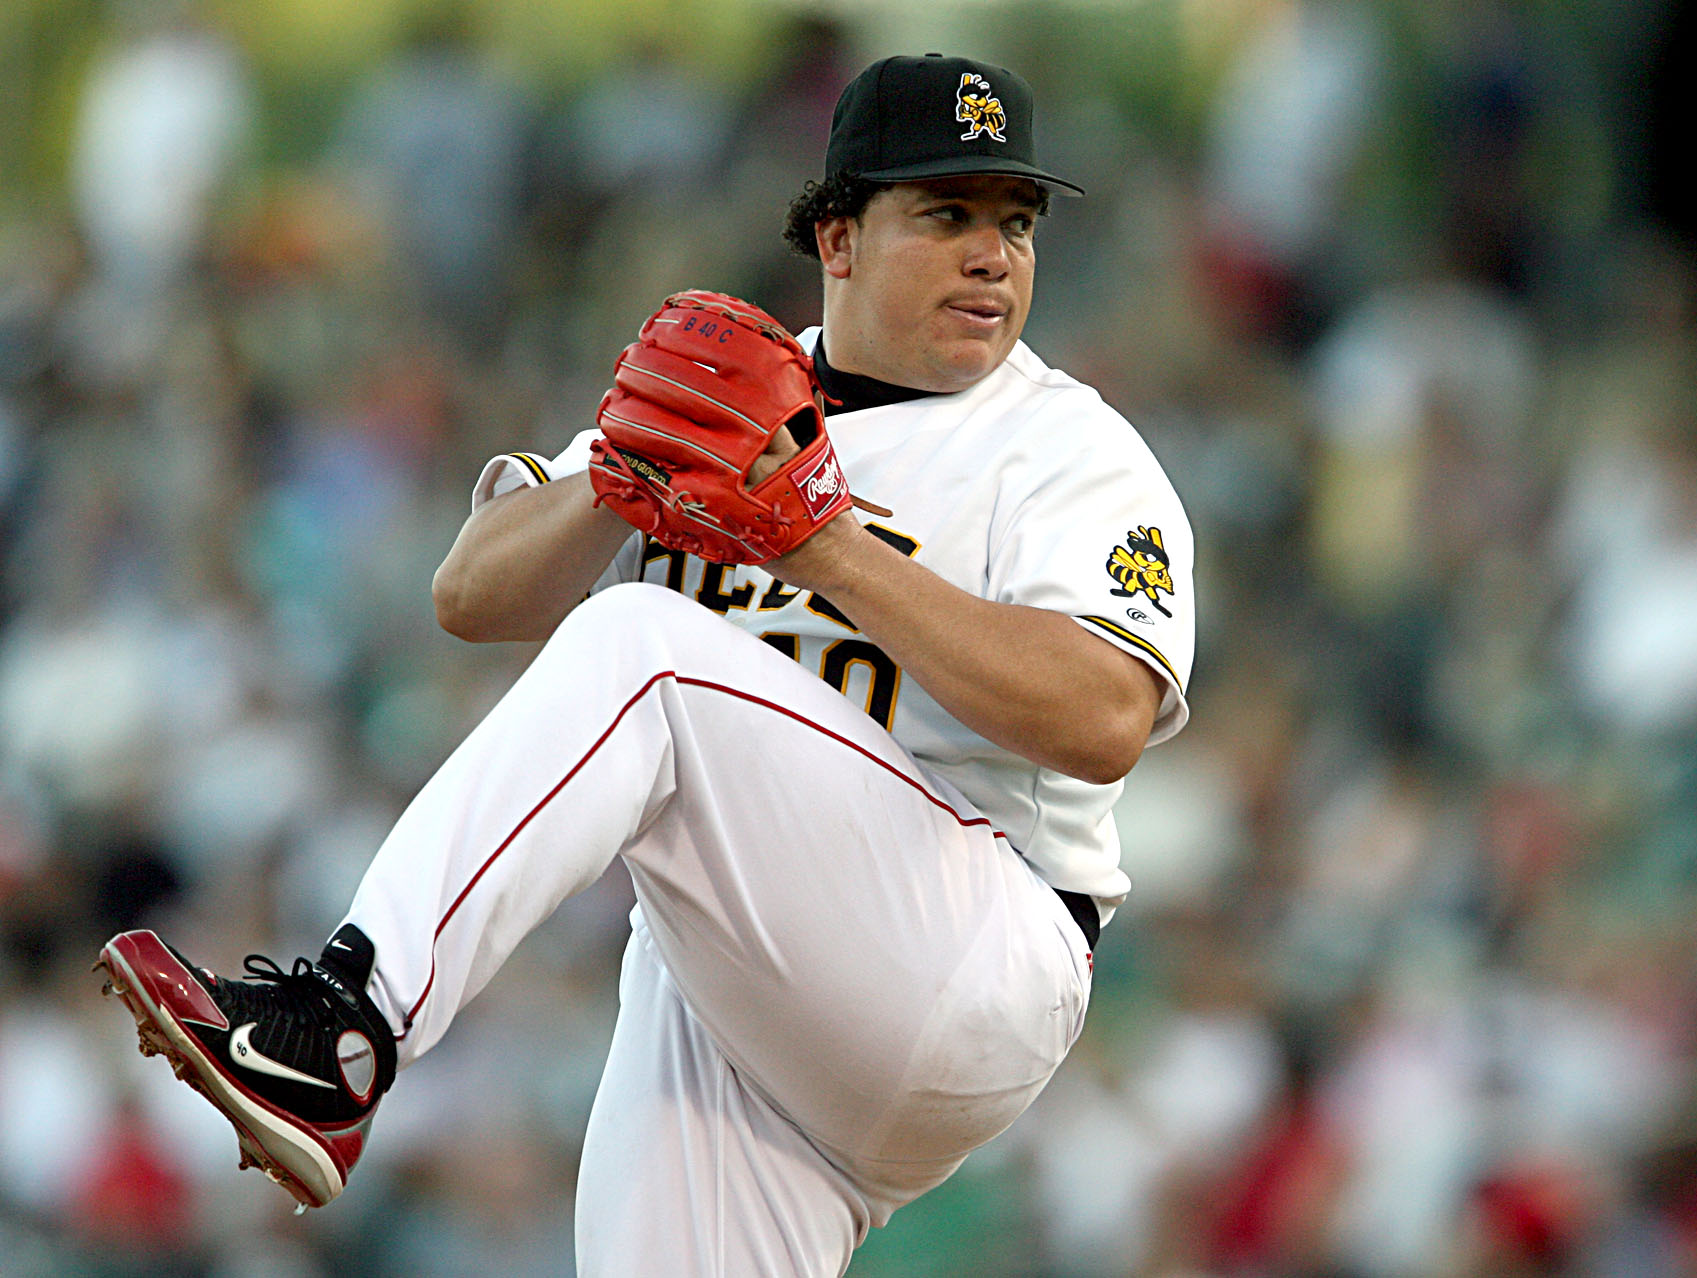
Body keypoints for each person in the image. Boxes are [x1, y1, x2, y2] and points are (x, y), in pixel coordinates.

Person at [98, 52, 1195, 1275]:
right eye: (946, 215)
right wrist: (616, 479)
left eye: (1016, 223)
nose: (994, 255)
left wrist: (821, 545)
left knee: (650, 652)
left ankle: (344, 1025)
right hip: (751, 994)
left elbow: (1103, 716)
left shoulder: (1065, 449)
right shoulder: (732, 393)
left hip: (973, 946)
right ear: (837, 238)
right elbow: (470, 595)